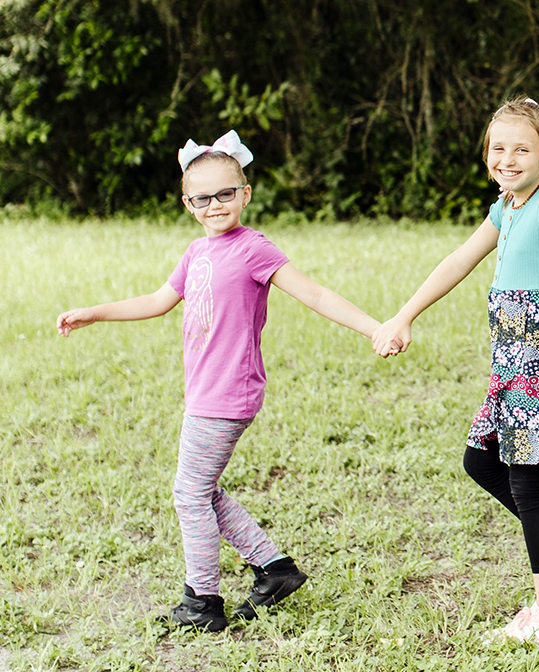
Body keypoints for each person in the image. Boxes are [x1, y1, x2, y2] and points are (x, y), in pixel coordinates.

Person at [57, 130, 383, 632]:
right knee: (201, 490)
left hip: (229, 393)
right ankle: (274, 569)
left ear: (245, 193)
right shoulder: (196, 252)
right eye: (203, 198)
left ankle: (202, 600)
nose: (215, 205)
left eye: (225, 194)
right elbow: (156, 302)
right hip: (204, 391)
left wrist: (374, 327)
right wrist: (94, 314)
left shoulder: (253, 248)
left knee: (189, 493)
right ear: (189, 204)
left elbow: (314, 294)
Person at [372, 98, 539, 646]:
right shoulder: (507, 207)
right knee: (482, 461)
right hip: (513, 360)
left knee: (526, 482)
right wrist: (404, 315)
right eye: (498, 148)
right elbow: (458, 260)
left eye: (522, 148)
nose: (508, 158)